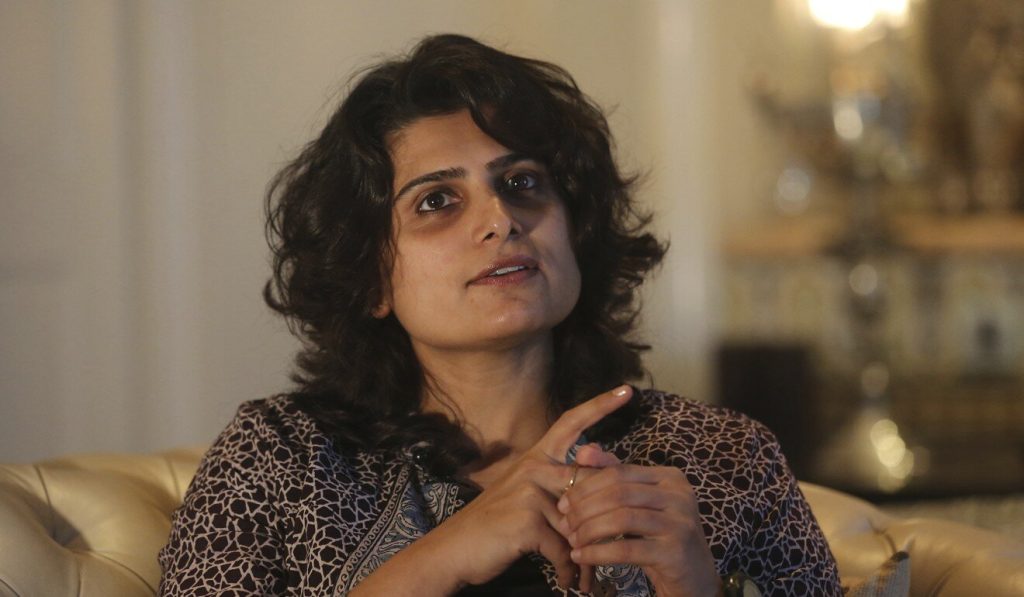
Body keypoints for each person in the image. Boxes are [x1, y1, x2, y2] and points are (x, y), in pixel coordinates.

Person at [158, 34, 841, 596]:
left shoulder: (722, 457)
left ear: (576, 231)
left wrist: (695, 588)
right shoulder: (279, 460)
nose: (501, 219)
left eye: (522, 183)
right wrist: (447, 555)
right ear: (371, 277)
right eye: (436, 201)